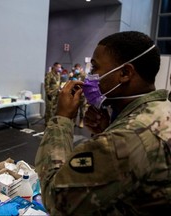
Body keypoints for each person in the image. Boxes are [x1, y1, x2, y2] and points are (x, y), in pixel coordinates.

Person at [35, 31, 171, 215]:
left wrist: (63, 118)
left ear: (124, 73)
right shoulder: (162, 109)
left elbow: (57, 200)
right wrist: (108, 129)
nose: (89, 77)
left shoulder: (124, 139)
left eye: (94, 68)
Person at [69, 63, 86, 128]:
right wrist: (70, 76)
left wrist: (82, 73)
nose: (77, 69)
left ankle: (81, 122)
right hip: (75, 94)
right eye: (76, 68)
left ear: (80, 68)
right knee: (74, 109)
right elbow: (70, 83)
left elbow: (86, 82)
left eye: (78, 68)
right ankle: (74, 121)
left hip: (82, 94)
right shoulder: (73, 75)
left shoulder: (83, 75)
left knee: (82, 110)